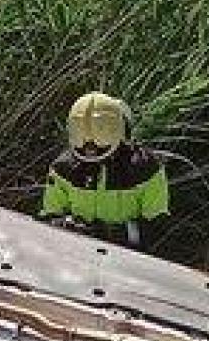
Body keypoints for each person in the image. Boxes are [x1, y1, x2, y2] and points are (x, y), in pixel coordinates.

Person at [38, 91, 170, 248]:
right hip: (74, 257)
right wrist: (65, 225)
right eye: (81, 130)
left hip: (128, 261)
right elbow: (48, 220)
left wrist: (107, 234)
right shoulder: (63, 169)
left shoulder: (145, 169)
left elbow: (158, 229)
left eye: (101, 130)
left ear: (120, 129)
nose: (90, 143)